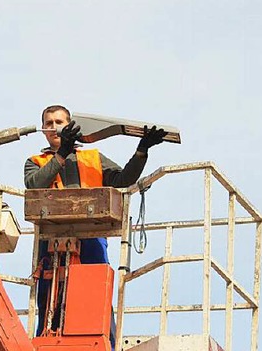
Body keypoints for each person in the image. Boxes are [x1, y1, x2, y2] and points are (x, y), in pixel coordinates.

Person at [25, 104, 166, 336]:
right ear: (43, 129)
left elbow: (123, 180)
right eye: (48, 123)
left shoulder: (92, 157)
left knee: (95, 291)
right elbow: (35, 185)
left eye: (59, 122)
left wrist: (142, 151)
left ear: (70, 125)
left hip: (91, 235)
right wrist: (62, 154)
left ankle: (102, 346)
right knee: (49, 293)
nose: (54, 127)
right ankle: (46, 342)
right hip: (51, 237)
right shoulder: (35, 161)